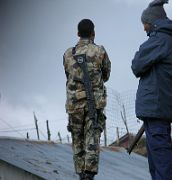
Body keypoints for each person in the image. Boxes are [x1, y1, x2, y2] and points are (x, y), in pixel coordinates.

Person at [131, 0, 172, 179]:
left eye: (144, 23)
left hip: (156, 107)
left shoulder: (159, 40)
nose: (144, 28)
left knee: (160, 161)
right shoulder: (169, 40)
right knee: (157, 162)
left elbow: (136, 65)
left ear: (152, 22)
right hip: (158, 107)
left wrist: (139, 54)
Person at [63, 19, 111, 180]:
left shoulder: (68, 53)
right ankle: (89, 175)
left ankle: (80, 173)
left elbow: (68, 75)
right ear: (93, 33)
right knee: (92, 138)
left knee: (77, 139)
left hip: (74, 104)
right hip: (93, 103)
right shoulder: (100, 51)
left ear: (78, 34)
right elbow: (106, 75)